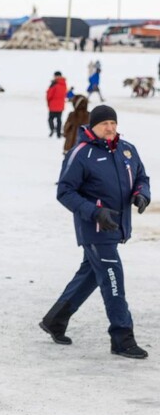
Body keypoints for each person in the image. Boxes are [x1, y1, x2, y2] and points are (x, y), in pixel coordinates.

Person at [40, 105, 151, 359]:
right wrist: (94, 212)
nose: (110, 128)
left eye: (113, 122)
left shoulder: (127, 149)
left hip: (117, 226)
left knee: (90, 274)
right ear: (93, 126)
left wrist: (141, 194)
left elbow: (142, 177)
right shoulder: (80, 154)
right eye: (104, 124)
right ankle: (122, 337)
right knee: (113, 280)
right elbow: (65, 192)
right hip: (95, 229)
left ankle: (55, 320)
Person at [46, 71, 67, 138]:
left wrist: (48, 102)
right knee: (59, 120)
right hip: (61, 105)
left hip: (53, 105)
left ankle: (52, 129)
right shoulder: (64, 84)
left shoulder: (54, 84)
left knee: (50, 119)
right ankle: (58, 133)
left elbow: (49, 94)